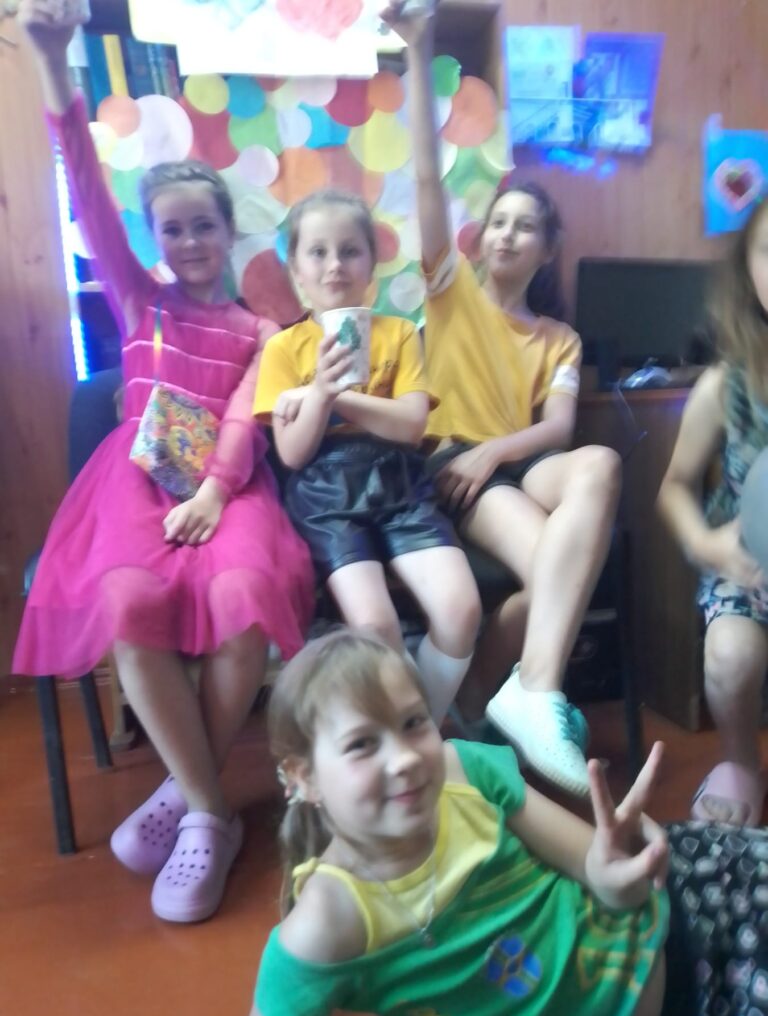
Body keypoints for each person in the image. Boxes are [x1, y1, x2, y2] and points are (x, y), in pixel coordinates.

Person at [13, 0, 315, 922]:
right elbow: (84, 187)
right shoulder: (139, 302)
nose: (189, 245)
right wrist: (52, 63)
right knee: (128, 603)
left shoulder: (260, 331)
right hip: (136, 487)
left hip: (230, 488)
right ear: (154, 239)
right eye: (173, 230)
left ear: (228, 234)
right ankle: (212, 813)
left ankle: (186, 795)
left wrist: (218, 493)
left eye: (203, 228)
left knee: (245, 602)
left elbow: (244, 419)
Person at [380, 1, 623, 798]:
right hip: (454, 467)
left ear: (548, 249)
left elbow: (557, 427)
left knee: (598, 461)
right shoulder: (451, 293)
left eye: (527, 227)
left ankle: (514, 695)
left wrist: (497, 451)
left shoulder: (560, 337)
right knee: (557, 567)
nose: (509, 234)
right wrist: (418, 53)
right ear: (480, 240)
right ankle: (510, 700)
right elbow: (426, 177)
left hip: (513, 459)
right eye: (499, 222)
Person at [250, 629, 669, 1016]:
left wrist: (616, 876)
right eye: (361, 744)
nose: (405, 759)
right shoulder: (326, 920)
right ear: (304, 778)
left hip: (646, 954)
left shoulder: (465, 770)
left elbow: (596, 872)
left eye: (413, 723)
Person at [253, 188, 481, 723]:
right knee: (375, 628)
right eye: (318, 252)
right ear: (296, 270)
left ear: (371, 264)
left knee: (461, 610)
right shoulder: (283, 348)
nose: (335, 265)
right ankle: (414, 734)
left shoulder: (398, 334)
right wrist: (319, 391)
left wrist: (335, 398)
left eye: (350, 250)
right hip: (325, 496)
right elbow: (292, 453)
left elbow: (411, 425)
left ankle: (421, 728)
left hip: (401, 485)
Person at [658, 198, 768, 827]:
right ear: (747, 271)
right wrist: (706, 545)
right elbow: (673, 486)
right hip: (747, 573)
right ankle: (740, 762)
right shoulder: (725, 384)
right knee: (730, 658)